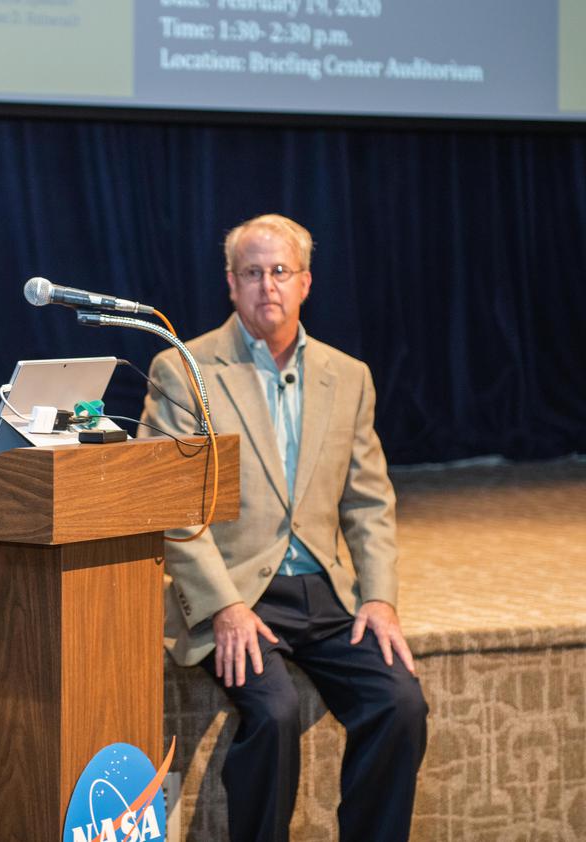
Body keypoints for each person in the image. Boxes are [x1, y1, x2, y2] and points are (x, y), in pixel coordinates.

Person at [139, 214, 428, 842]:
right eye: (252, 272)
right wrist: (225, 607)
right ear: (231, 284)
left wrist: (378, 597)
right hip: (237, 588)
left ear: (306, 282)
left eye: (280, 272)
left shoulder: (347, 375)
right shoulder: (183, 370)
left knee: (399, 705)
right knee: (273, 712)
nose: (267, 285)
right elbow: (173, 510)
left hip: (324, 592)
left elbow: (368, 502)